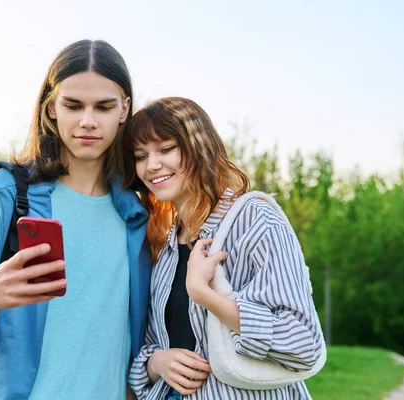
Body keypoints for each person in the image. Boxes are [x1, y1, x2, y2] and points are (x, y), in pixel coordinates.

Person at [0, 39, 151, 400]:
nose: (88, 121)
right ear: (51, 108)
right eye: (73, 105)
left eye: (104, 107)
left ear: (124, 109)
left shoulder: (136, 215)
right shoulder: (1, 195)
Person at [122, 97, 325, 399]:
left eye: (166, 149)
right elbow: (157, 345)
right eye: (140, 156)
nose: (152, 165)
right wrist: (156, 363)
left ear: (199, 146)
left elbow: (304, 345)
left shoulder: (255, 220)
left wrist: (205, 295)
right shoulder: (166, 246)